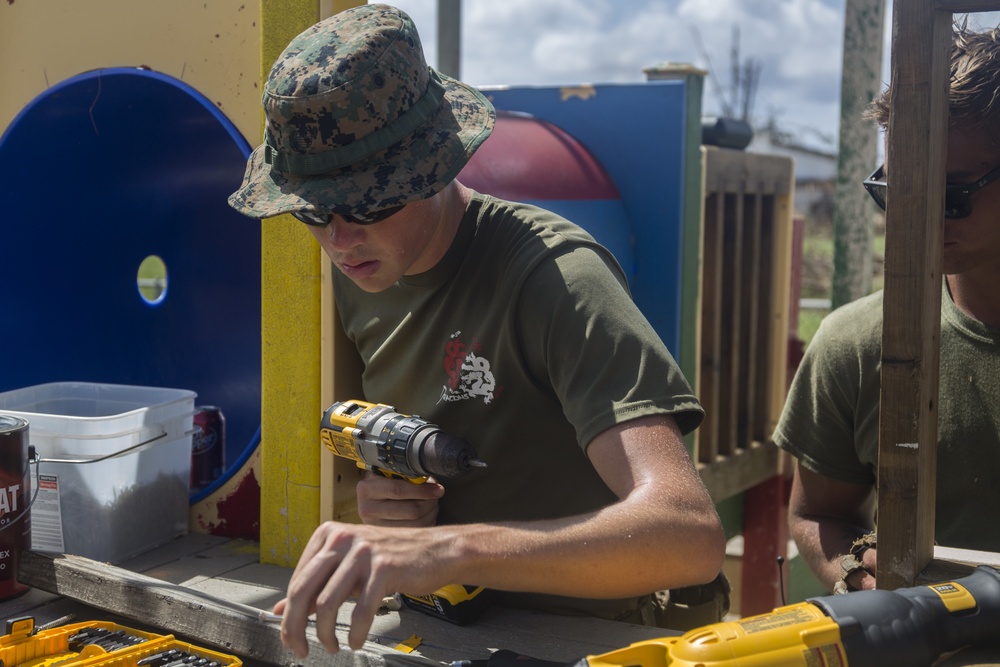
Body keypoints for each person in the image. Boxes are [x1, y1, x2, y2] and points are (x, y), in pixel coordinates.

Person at [228, 3, 727, 656]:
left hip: (592, 640)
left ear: (434, 164)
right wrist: (390, 511)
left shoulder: (554, 276)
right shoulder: (357, 275)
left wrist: (451, 547)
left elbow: (686, 534)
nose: (340, 240)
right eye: (313, 213)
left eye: (365, 203)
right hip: (441, 632)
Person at [774, 23, 1000, 595]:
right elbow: (815, 514)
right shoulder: (857, 344)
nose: (921, 215)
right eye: (898, 190)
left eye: (953, 194)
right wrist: (855, 574)